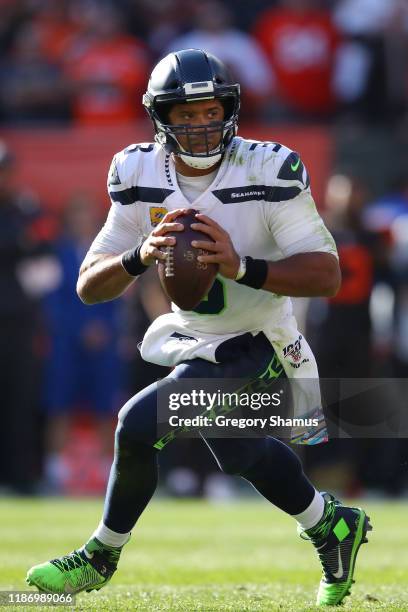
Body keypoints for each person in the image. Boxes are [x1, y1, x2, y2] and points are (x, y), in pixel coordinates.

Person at [26, 49, 371, 606]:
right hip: (197, 338)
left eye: (209, 110)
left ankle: (98, 556)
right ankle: (331, 525)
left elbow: (327, 274)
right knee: (238, 453)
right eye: (184, 115)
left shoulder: (267, 166)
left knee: (138, 423)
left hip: (263, 339)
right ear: (161, 118)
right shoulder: (137, 170)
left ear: (229, 108)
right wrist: (139, 255)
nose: (200, 124)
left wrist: (242, 267)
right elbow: (89, 285)